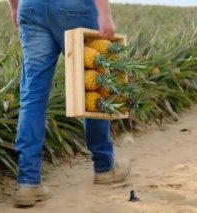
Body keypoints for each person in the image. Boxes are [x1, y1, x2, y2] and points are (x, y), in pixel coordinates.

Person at [7, 0, 131, 206]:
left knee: (32, 97)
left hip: (31, 7)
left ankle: (28, 182)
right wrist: (104, 13)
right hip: (74, 7)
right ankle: (104, 167)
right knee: (92, 84)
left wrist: (14, 6)